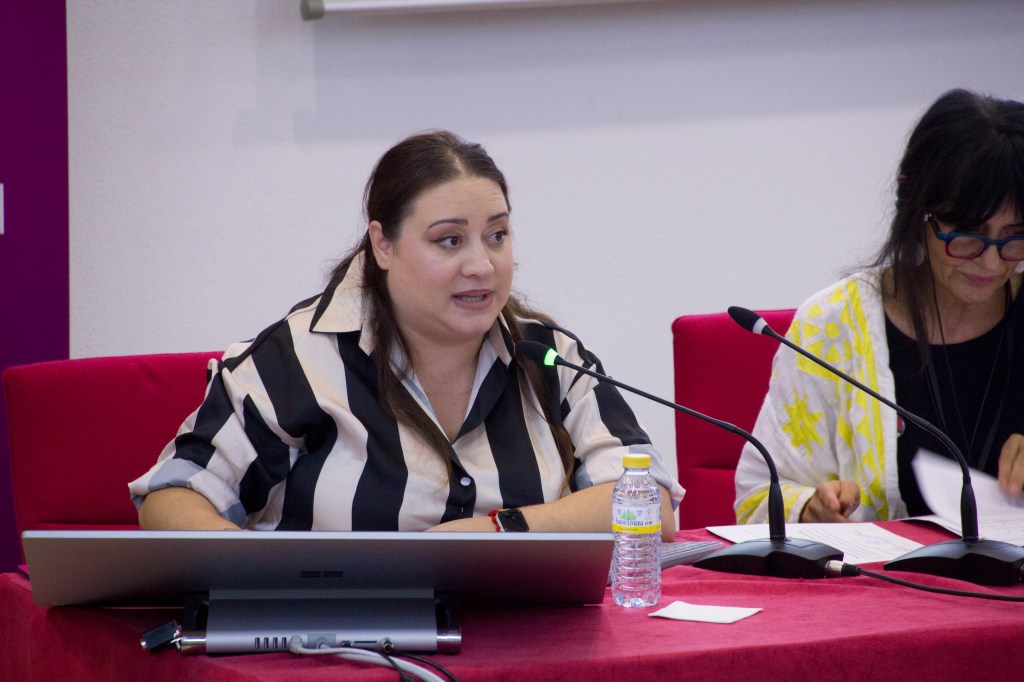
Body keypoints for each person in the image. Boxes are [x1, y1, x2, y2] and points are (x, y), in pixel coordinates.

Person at [130, 130, 683, 539]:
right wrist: (261, 580)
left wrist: (501, 530)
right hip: (337, 642)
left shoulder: (548, 358)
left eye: (497, 235)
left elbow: (650, 506)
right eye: (449, 241)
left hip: (527, 640)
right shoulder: (298, 360)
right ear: (383, 245)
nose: (482, 266)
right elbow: (174, 495)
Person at [734, 88, 1024, 524]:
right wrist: (809, 508)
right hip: (889, 568)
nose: (991, 261)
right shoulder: (832, 326)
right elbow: (758, 498)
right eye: (968, 235)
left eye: (1014, 237)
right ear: (916, 210)